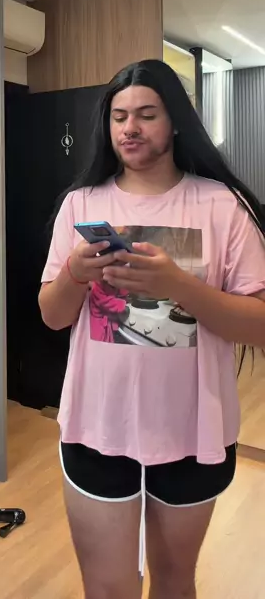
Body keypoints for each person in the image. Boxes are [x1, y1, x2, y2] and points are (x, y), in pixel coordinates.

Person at [39, 59, 265, 599]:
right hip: (96, 426)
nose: (130, 128)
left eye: (146, 114)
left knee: (174, 582)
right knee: (107, 588)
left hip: (193, 432)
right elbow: (52, 314)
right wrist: (75, 273)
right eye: (119, 117)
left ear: (176, 122)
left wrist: (177, 284)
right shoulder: (82, 203)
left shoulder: (221, 206)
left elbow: (259, 325)